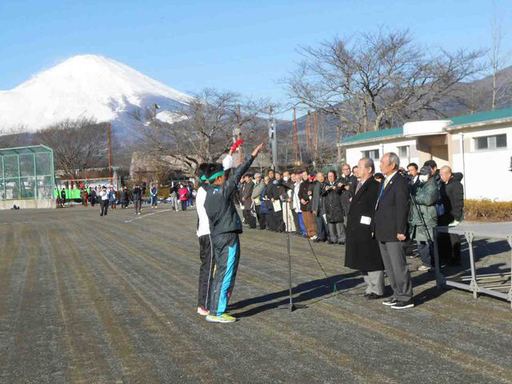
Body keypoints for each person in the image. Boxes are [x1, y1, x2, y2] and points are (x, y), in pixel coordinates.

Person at [203, 143, 263, 323]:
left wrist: (228, 157)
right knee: (226, 272)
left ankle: (214, 308)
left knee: (219, 273)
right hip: (228, 236)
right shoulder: (222, 192)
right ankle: (218, 312)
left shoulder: (207, 193)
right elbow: (237, 175)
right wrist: (252, 155)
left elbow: (229, 175)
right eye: (222, 177)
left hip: (217, 236)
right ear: (219, 179)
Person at [374, 152, 413, 310]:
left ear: (392, 165)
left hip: (394, 231)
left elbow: (402, 208)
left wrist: (401, 229)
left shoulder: (399, 181)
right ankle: (397, 293)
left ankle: (406, 296)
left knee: (398, 265)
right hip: (383, 230)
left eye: (383, 162)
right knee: (389, 267)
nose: (380, 165)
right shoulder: (385, 181)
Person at [345, 158, 385, 298]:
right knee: (360, 259)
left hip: (367, 229)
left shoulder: (374, 185)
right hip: (356, 228)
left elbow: (375, 209)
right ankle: (369, 286)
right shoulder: (358, 183)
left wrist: (370, 225)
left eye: (360, 167)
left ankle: (377, 289)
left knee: (371, 259)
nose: (357, 169)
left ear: (369, 169)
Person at [409, 165, 438, 271]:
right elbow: (412, 193)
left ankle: (433, 264)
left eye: (425, 174)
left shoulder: (432, 184)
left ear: (430, 174)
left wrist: (415, 197)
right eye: (421, 174)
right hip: (419, 217)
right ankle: (426, 262)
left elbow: (428, 199)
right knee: (420, 242)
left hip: (428, 217)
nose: (423, 176)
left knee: (430, 242)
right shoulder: (421, 184)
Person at [438, 165, 464, 265]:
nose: (441, 177)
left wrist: (457, 217)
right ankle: (446, 257)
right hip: (444, 215)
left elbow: (459, 202)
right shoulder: (443, 184)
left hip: (453, 215)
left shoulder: (456, 185)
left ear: (449, 174)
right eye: (440, 174)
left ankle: (456, 259)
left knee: (454, 238)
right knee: (444, 237)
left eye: (442, 174)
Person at [322, 170, 346, 244]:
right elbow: (322, 193)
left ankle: (341, 239)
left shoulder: (338, 183)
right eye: (329, 176)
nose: (330, 177)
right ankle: (333, 239)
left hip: (337, 206)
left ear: (335, 176)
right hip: (329, 207)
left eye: (332, 176)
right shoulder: (325, 184)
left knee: (339, 224)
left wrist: (335, 188)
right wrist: (326, 190)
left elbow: (340, 191)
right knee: (331, 224)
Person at [298, 170, 317, 239]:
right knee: (306, 221)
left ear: (308, 175)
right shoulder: (302, 184)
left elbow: (311, 193)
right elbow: (299, 193)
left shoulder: (311, 183)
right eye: (303, 175)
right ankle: (309, 233)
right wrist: (301, 199)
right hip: (303, 205)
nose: (304, 176)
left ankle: (314, 233)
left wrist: (306, 199)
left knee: (311, 220)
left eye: (305, 175)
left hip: (309, 204)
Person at [311, 172, 327, 242]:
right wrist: (314, 208)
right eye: (319, 177)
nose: (321, 178)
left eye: (322, 176)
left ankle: (324, 236)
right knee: (319, 223)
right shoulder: (316, 185)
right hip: (318, 207)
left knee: (325, 223)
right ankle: (320, 236)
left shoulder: (326, 184)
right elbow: (315, 198)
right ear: (316, 178)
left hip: (324, 206)